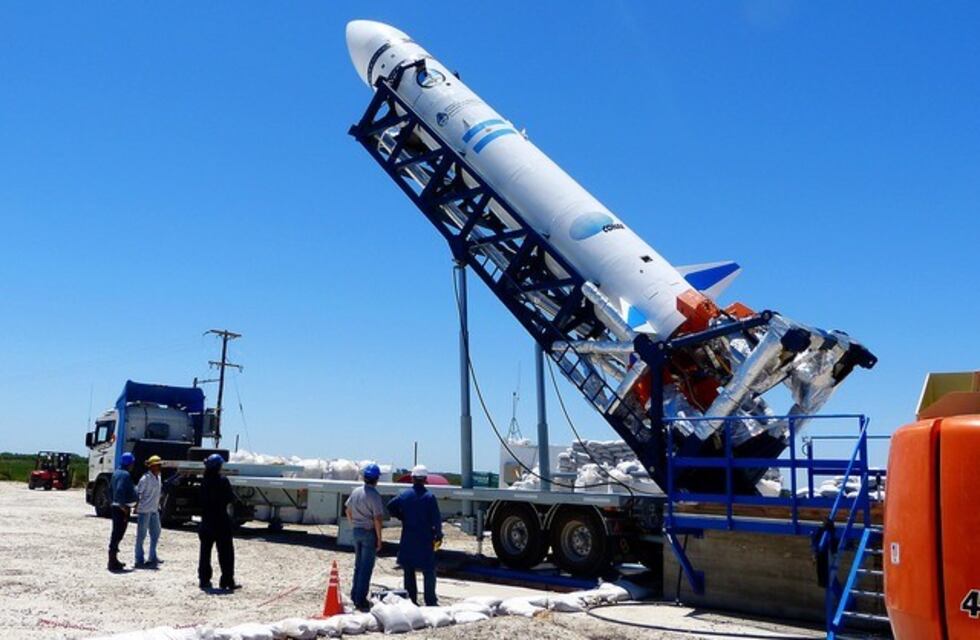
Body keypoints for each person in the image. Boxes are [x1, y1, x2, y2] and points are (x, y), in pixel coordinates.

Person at [387, 465, 443, 606]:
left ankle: (411, 600)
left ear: (412, 478)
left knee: (409, 570)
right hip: (425, 538)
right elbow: (436, 519)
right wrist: (438, 535)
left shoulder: (405, 495)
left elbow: (390, 506)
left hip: (408, 537)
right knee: (429, 570)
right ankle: (430, 601)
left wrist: (401, 516)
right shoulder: (429, 497)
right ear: (425, 479)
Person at [344, 463, 385, 611]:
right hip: (368, 532)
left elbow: (348, 510)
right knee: (366, 567)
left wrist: (353, 525)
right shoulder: (374, 495)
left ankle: (355, 595)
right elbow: (377, 519)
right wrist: (380, 539)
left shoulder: (356, 491)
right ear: (376, 479)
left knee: (358, 566)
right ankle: (361, 600)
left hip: (357, 531)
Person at [198, 453, 240, 591]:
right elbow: (231, 499)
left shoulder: (204, 481)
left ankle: (204, 580)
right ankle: (227, 580)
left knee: (205, 552)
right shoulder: (223, 481)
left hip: (206, 521)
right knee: (226, 552)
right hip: (221, 521)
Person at [107, 452, 138, 572]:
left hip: (115, 507)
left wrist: (112, 502)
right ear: (129, 463)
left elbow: (110, 490)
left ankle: (114, 559)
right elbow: (119, 491)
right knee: (118, 533)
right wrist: (123, 507)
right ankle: (112, 561)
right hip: (121, 508)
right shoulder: (125, 475)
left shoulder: (116, 473)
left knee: (116, 533)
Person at [135, 454, 163, 568]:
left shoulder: (159, 477)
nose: (158, 467)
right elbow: (138, 493)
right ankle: (139, 559)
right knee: (141, 536)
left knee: (156, 533)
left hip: (154, 510)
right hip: (145, 510)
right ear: (151, 467)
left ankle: (152, 556)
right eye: (157, 465)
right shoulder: (145, 479)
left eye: (159, 465)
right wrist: (136, 506)